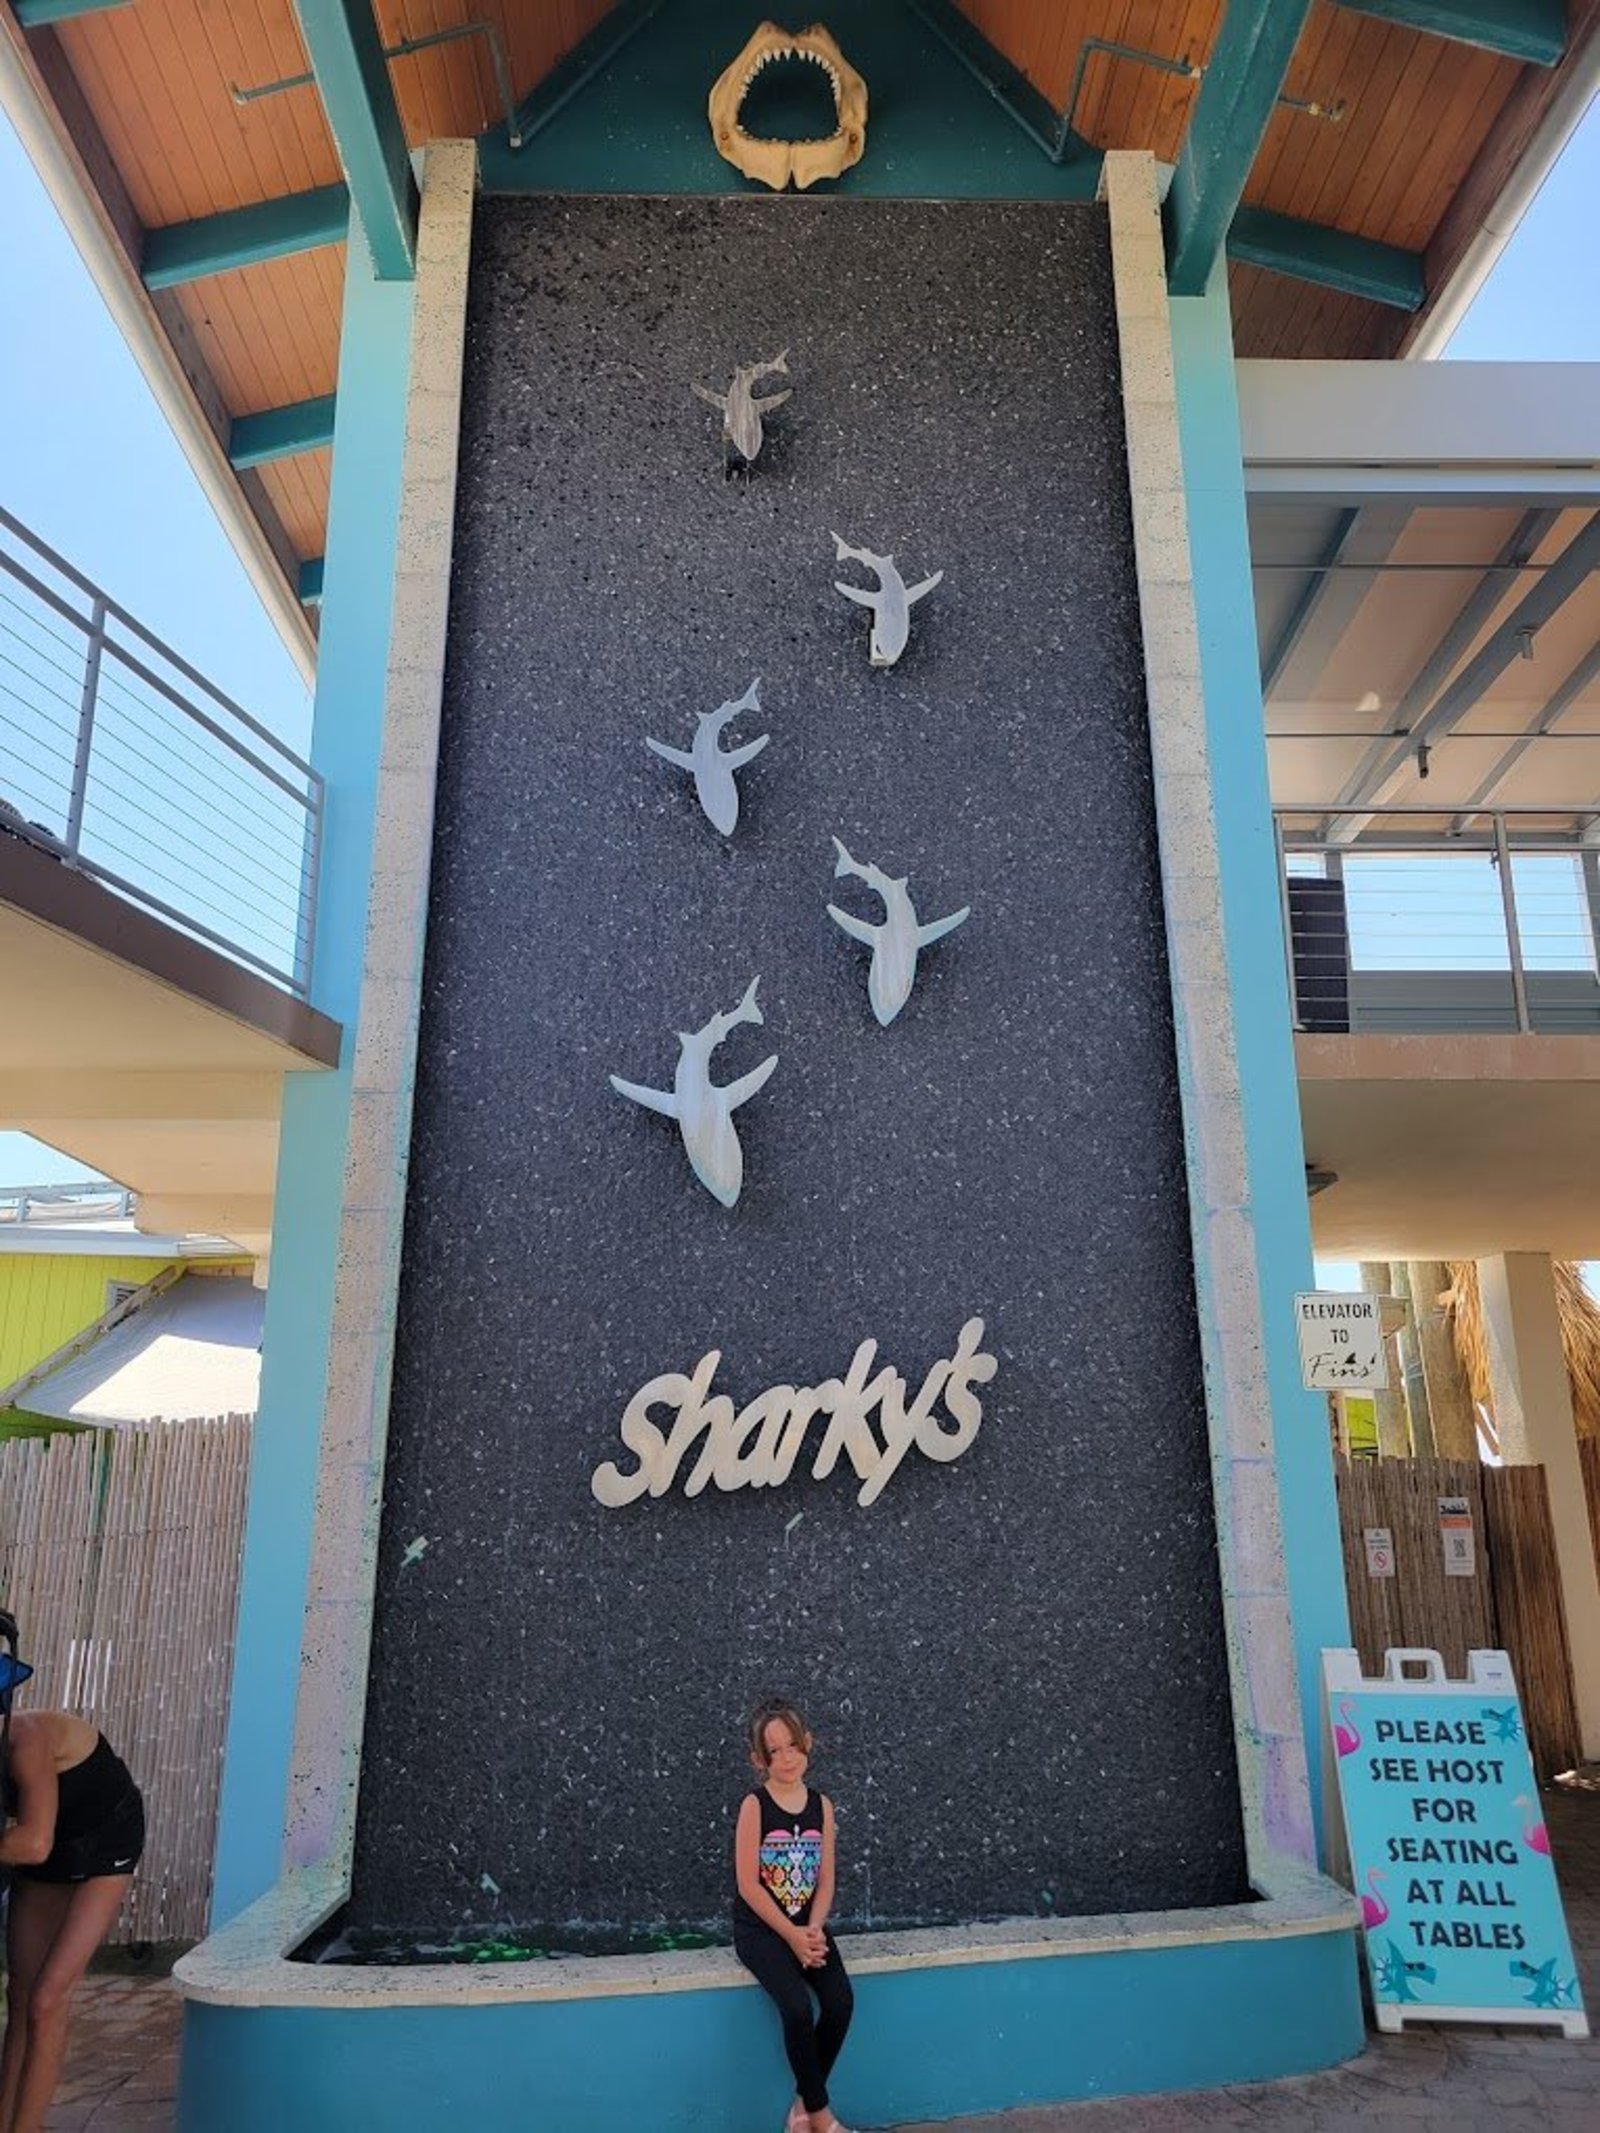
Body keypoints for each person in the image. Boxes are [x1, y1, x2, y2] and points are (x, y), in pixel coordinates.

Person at [0, 1651, 144, 2133]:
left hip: (105, 1840)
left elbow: (32, 1844)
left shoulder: (26, 1741)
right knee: (21, 1995)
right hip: (49, 1845)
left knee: (47, 2000)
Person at [733, 1698, 855, 2133]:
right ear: (758, 1760)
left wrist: (814, 1929)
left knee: (840, 2002)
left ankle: (803, 2104)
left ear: (808, 1744)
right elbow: (748, 1885)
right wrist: (791, 1935)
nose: (786, 1758)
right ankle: (821, 2116)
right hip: (762, 1929)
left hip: (807, 1925)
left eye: (793, 1746)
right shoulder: (755, 1805)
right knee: (798, 2009)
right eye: (774, 1751)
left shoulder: (822, 1805)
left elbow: (826, 1880)